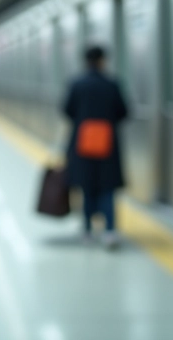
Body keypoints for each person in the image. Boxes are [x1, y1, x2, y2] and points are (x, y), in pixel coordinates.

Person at [62, 46, 129, 249]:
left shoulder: (77, 84)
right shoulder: (112, 84)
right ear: (102, 60)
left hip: (83, 142)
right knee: (107, 188)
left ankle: (87, 231)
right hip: (107, 144)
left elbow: (67, 110)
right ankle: (110, 231)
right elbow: (124, 111)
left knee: (87, 186)